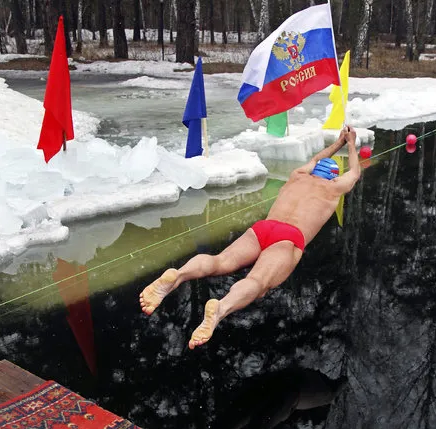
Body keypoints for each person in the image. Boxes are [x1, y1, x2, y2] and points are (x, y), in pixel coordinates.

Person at [139, 126, 361, 349]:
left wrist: (339, 142)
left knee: (220, 261)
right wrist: (351, 144)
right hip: (289, 237)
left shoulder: (299, 176)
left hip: (264, 228)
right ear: (333, 176)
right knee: (258, 283)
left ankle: (177, 276)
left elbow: (315, 158)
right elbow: (355, 172)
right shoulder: (334, 187)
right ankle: (221, 309)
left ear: (315, 171)